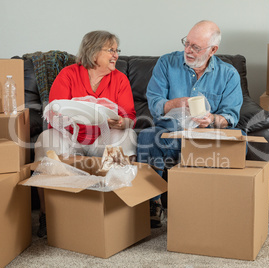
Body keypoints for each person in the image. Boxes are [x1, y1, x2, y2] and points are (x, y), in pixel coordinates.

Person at [137, 20, 243, 228]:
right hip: (172, 133)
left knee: (240, 141)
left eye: (196, 47)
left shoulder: (229, 74)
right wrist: (175, 104)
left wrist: (211, 119)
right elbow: (154, 102)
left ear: (213, 49)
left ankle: (217, 203)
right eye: (187, 43)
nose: (188, 50)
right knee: (148, 136)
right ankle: (152, 202)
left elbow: (230, 117)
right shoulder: (167, 63)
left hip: (206, 136)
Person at [34, 30, 137, 238]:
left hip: (103, 137)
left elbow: (131, 117)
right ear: (93, 52)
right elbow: (55, 112)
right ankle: (49, 214)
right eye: (111, 50)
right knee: (46, 139)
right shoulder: (69, 74)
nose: (116, 55)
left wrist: (121, 122)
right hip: (70, 137)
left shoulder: (120, 79)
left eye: (117, 50)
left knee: (127, 136)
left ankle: (115, 205)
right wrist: (79, 117)